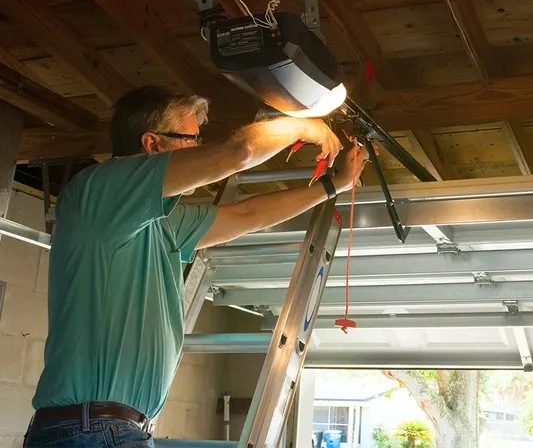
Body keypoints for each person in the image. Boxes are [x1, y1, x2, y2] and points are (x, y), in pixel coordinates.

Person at [23, 85, 368, 448]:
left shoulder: (163, 222)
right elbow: (239, 152)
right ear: (152, 144)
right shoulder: (99, 193)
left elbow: (248, 215)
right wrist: (304, 125)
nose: (199, 148)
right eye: (191, 139)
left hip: (108, 429)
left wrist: (333, 185)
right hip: (93, 429)